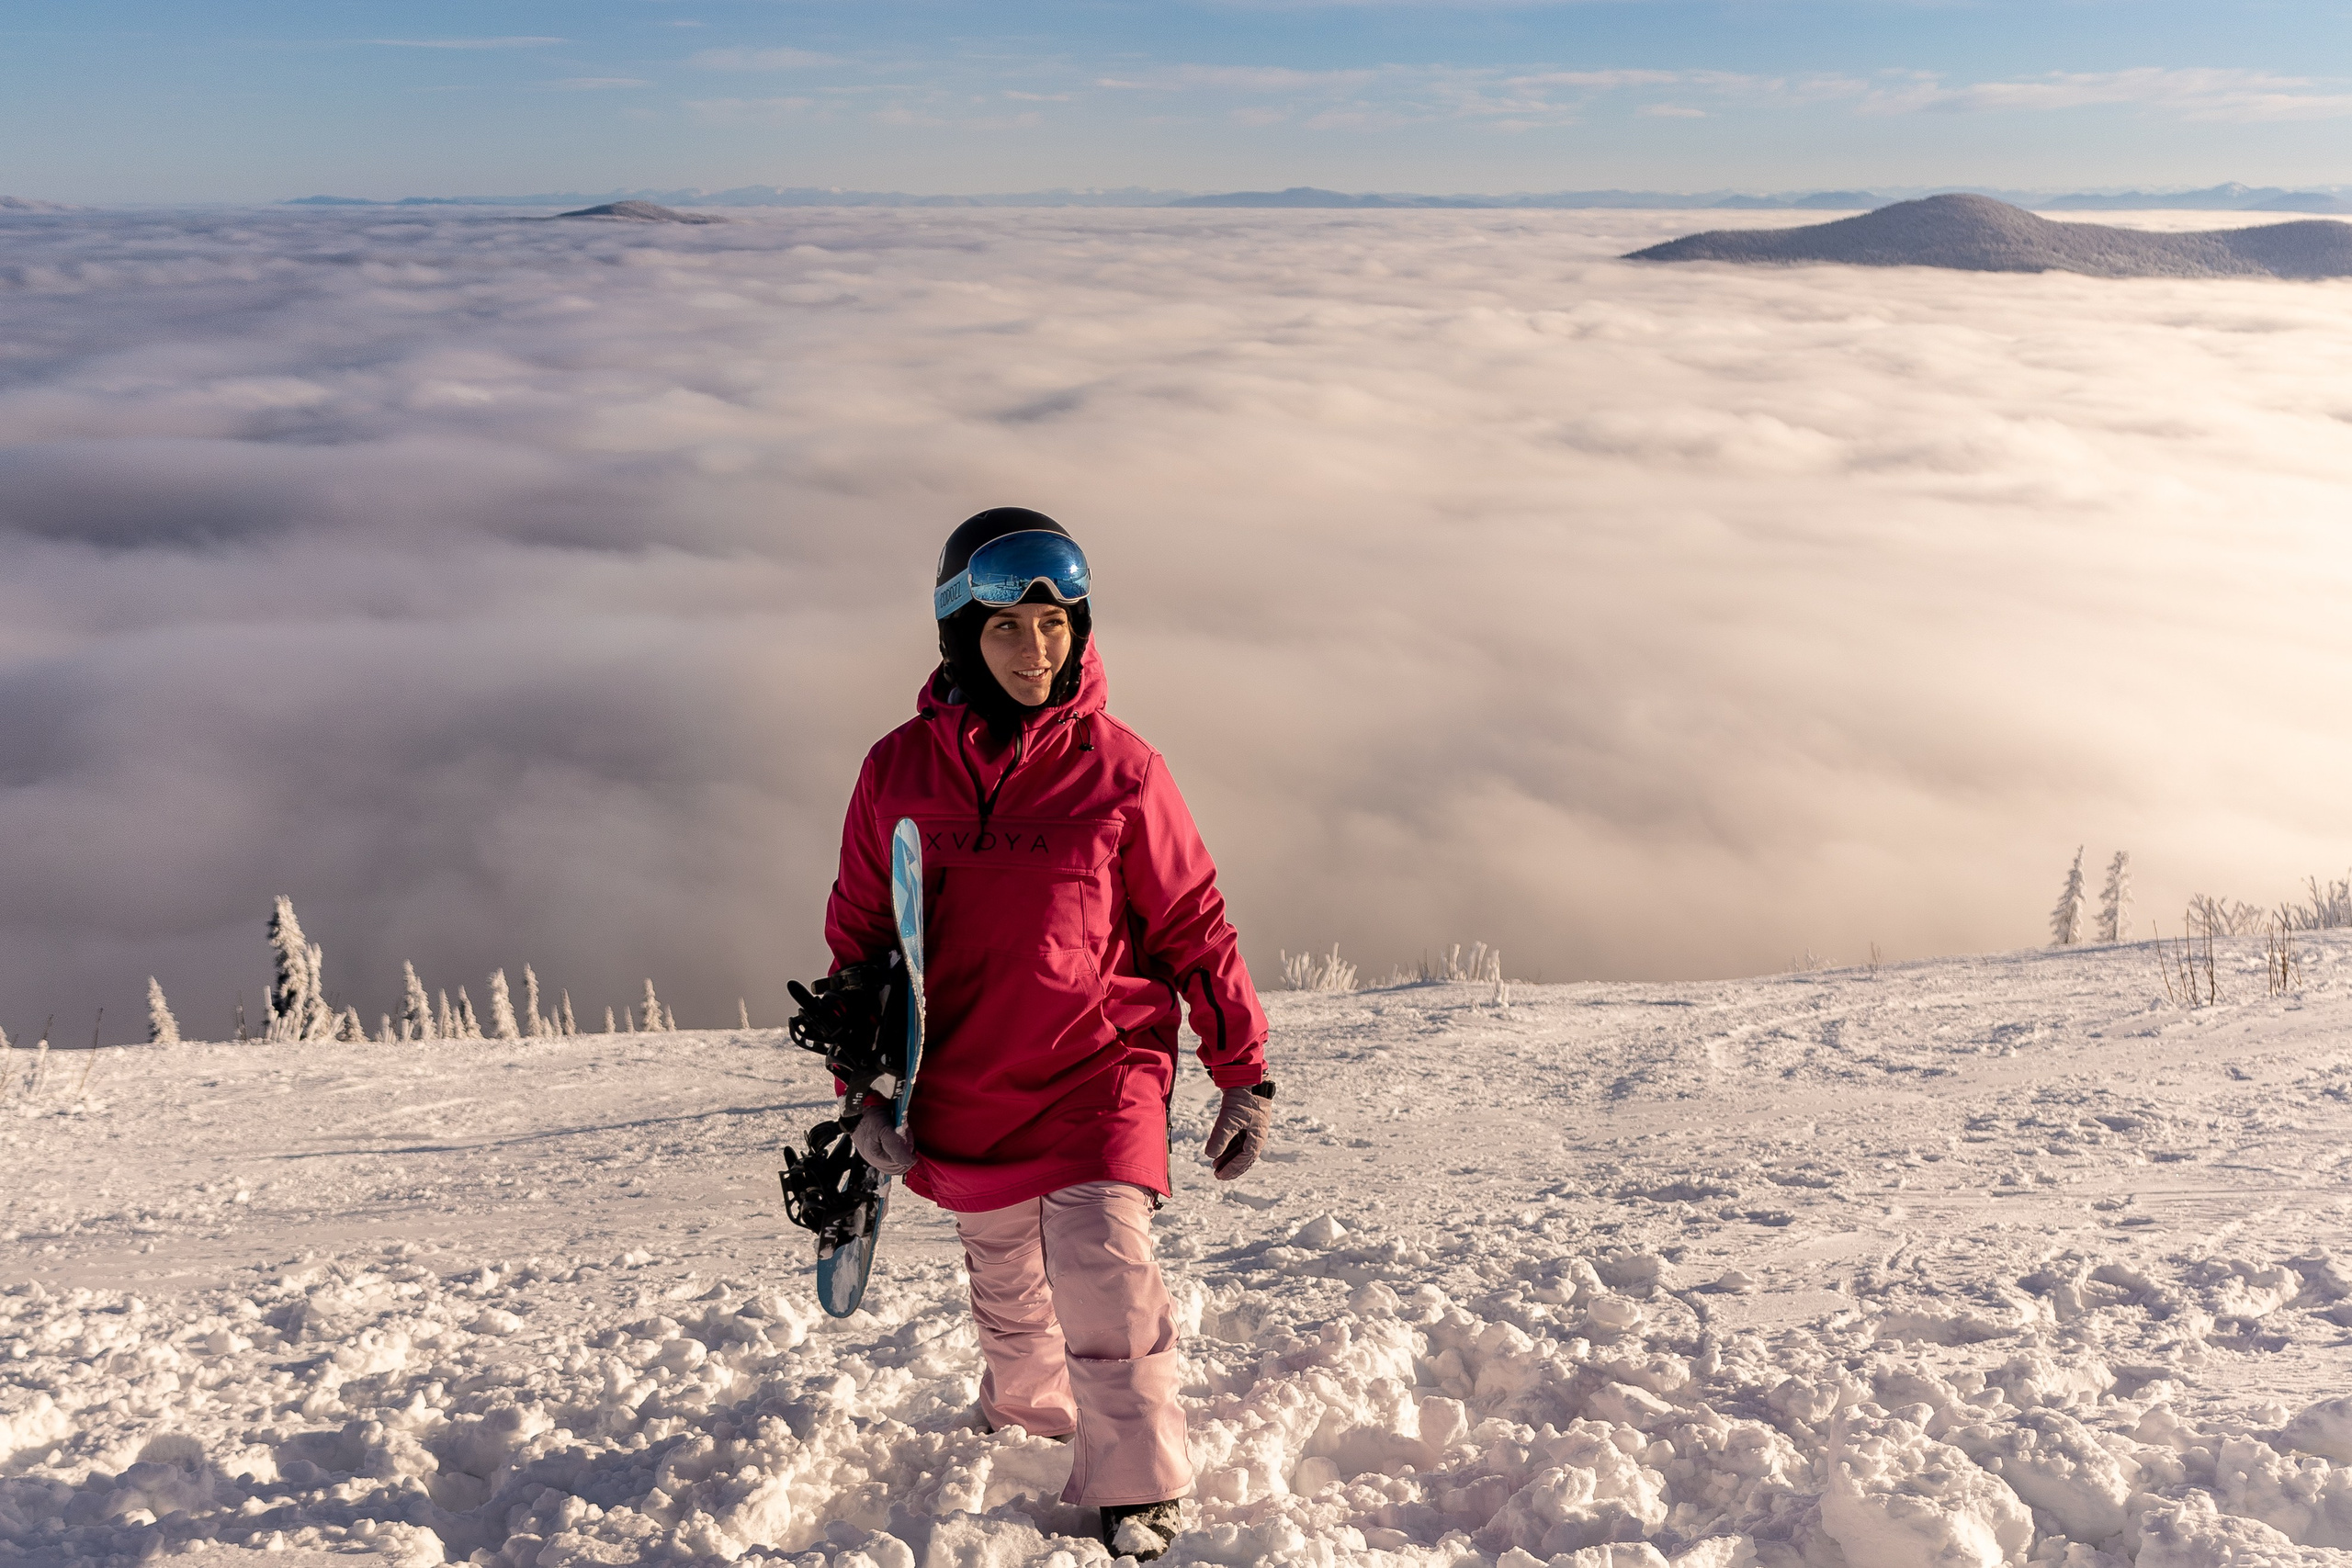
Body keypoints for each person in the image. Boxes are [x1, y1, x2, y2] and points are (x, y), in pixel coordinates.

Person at [819, 506, 1274, 1560]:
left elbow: (1193, 920)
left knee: (1103, 1266)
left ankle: (1138, 1487)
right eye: (1008, 630)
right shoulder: (897, 772)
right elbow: (859, 937)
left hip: (1099, 1068)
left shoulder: (1124, 770)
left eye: (1057, 624)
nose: (1038, 650)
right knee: (1011, 1291)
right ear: (958, 639)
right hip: (962, 1077)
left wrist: (1241, 1070)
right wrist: (864, 1090)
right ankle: (1025, 1414)